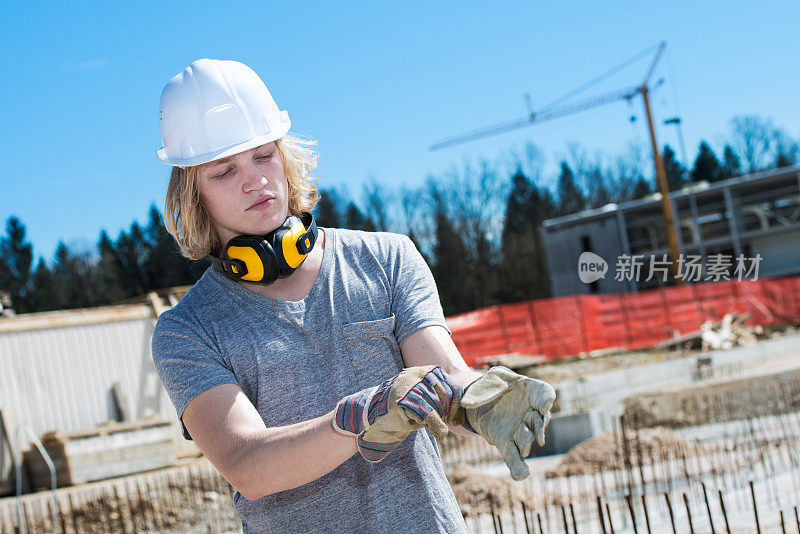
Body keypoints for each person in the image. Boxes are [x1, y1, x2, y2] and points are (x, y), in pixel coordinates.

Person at [151, 58, 556, 534]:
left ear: (285, 155)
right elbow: (247, 462)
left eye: (264, 155)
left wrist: (479, 401)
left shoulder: (387, 259)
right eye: (224, 170)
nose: (255, 179)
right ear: (192, 193)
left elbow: (445, 378)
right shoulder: (188, 330)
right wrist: (361, 416)